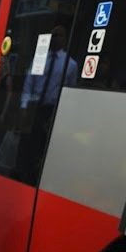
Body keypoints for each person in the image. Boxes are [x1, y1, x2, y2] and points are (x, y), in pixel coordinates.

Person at [15, 24, 78, 184]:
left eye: (59, 35)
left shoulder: (70, 64)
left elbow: (70, 90)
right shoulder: (39, 59)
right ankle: (20, 172)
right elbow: (29, 82)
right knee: (26, 142)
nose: (56, 38)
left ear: (65, 39)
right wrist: (24, 106)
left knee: (42, 144)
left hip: (51, 110)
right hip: (33, 107)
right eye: (53, 35)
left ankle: (33, 177)